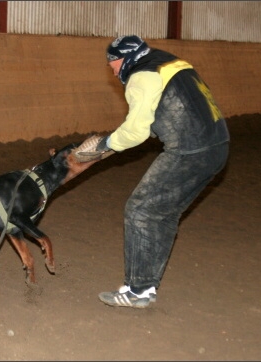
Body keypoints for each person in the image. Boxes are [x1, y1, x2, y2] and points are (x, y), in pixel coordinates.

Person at [93, 35, 230, 308]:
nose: (111, 68)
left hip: (189, 151)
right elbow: (177, 106)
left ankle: (136, 290)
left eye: (113, 62)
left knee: (140, 209)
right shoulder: (170, 62)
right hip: (219, 146)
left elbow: (135, 132)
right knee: (163, 214)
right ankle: (146, 287)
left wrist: (105, 144)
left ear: (127, 58)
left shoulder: (141, 77)